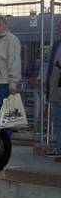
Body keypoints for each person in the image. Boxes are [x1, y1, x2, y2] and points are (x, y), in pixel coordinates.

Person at [45, 19, 61, 156]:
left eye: (59, 25)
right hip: (55, 89)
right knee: (57, 120)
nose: (57, 28)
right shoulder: (56, 45)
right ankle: (59, 147)